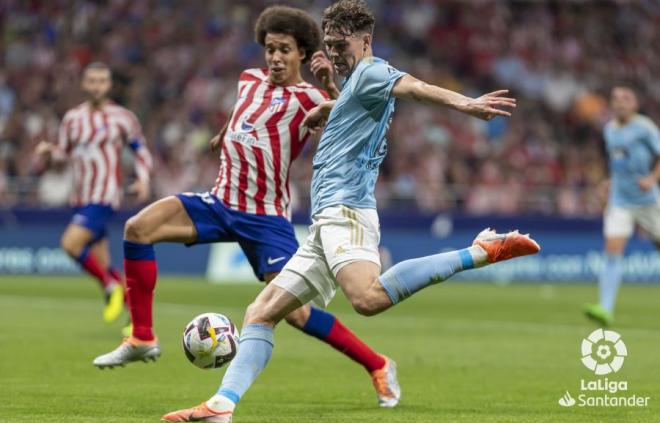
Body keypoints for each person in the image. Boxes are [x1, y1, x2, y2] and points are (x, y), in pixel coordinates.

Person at [161, 1, 540, 421]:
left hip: (347, 211)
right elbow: (359, 109)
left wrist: (466, 104)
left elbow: (412, 86)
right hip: (326, 221)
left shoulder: (374, 70)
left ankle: (481, 251)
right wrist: (331, 103)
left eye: (341, 44)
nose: (334, 51)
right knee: (261, 312)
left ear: (365, 41)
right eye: (328, 43)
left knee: (367, 298)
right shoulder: (357, 83)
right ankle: (221, 406)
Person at [92, 5, 401, 408]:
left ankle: (377, 363)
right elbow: (243, 115)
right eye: (270, 49)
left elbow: (351, 122)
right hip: (220, 201)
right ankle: (142, 336)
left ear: (303, 55)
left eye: (285, 50)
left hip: (265, 217)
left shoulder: (309, 95)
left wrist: (329, 86)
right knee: (137, 228)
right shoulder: (248, 80)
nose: (274, 57)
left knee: (296, 313)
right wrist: (225, 135)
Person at [35, 62, 152, 323]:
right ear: (84, 84)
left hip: (105, 196)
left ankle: (112, 288)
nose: (97, 86)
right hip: (81, 197)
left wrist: (143, 179)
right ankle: (136, 321)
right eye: (92, 81)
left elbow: (140, 151)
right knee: (103, 263)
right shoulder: (72, 119)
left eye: (102, 81)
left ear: (109, 85)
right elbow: (62, 155)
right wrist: (48, 154)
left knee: (70, 244)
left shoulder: (123, 117)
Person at [584, 86, 660, 326]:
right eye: (615, 99)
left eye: (625, 99)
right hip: (620, 201)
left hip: (647, 200)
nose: (620, 103)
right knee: (612, 251)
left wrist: (652, 178)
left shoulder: (645, 127)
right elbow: (618, 163)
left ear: (635, 104)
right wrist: (608, 183)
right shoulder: (610, 130)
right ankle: (605, 309)